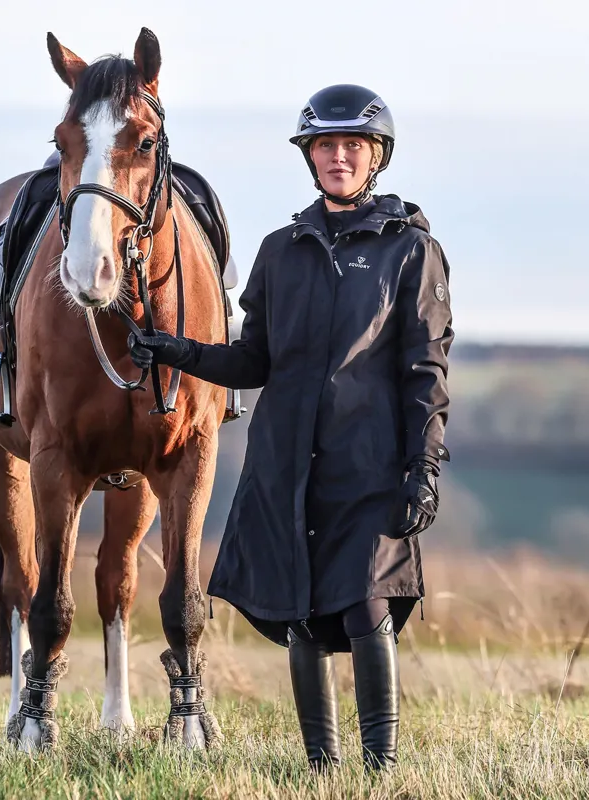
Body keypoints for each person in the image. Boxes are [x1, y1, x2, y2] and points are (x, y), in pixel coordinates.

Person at [128, 84, 454, 771]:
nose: (339, 157)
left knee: (367, 606)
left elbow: (427, 370)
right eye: (326, 146)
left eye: (353, 147)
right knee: (301, 615)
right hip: (285, 466)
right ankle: (322, 768)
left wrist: (423, 470)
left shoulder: (410, 251)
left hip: (370, 467)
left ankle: (379, 769)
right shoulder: (281, 250)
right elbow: (256, 359)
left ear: (376, 158)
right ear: (310, 157)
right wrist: (181, 350)